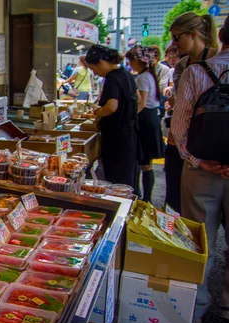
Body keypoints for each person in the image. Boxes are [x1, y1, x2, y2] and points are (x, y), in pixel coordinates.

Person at [171, 14, 229, 323]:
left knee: (198, 239)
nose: (174, 44)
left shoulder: (195, 72)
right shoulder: (189, 67)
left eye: (177, 37)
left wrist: (194, 159)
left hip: (201, 169)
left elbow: (179, 127)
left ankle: (194, 308)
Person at [164, 12, 218, 212]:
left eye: (177, 37)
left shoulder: (218, 60)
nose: (173, 43)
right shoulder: (181, 66)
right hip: (184, 146)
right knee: (177, 206)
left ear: (193, 33)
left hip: (210, 146)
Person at [85, 45, 140, 191]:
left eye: (93, 68)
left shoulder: (112, 78)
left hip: (117, 138)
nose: (94, 73)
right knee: (127, 182)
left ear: (101, 62)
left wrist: (98, 113)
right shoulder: (126, 74)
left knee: (115, 181)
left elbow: (111, 106)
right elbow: (139, 99)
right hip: (130, 134)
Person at [125, 46, 165, 204]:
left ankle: (145, 197)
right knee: (146, 163)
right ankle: (144, 196)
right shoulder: (150, 75)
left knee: (144, 163)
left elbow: (141, 102)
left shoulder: (142, 78)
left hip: (145, 120)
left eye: (130, 61)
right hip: (152, 118)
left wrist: (129, 117)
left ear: (137, 60)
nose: (130, 64)